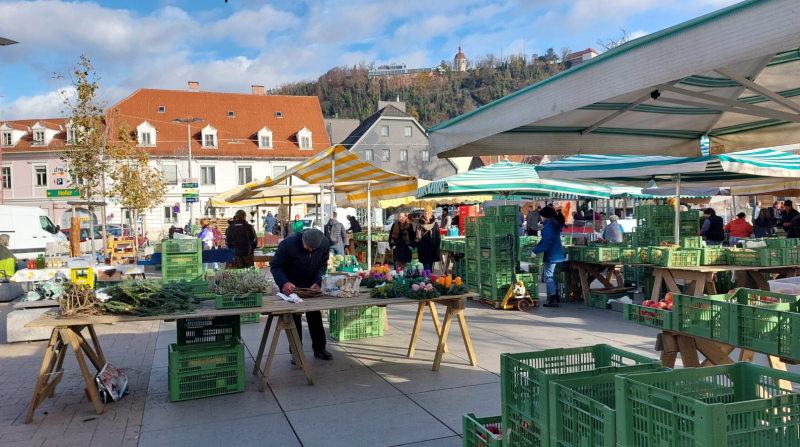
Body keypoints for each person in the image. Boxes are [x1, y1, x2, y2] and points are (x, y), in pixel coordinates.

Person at [270, 229, 333, 362]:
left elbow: (322, 265)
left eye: (313, 248)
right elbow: (276, 266)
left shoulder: (324, 243)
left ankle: (319, 348)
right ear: (302, 239)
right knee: (293, 318)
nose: (310, 250)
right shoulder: (288, 244)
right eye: (308, 246)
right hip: (291, 284)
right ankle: (296, 352)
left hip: (310, 285)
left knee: (315, 315)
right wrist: (284, 283)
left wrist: (317, 282)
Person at [532, 207, 564, 308]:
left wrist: (535, 251)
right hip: (556, 254)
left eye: (541, 215)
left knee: (548, 277)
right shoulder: (553, 224)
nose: (540, 217)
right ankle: (555, 297)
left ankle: (554, 298)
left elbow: (547, 243)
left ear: (545, 216)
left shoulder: (549, 227)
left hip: (552, 255)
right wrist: (544, 227)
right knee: (549, 276)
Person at [415, 206, 440, 272]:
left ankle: (429, 280)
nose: (426, 215)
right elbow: (416, 236)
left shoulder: (435, 224)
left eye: (428, 214)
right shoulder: (420, 224)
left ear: (431, 214)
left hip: (432, 249)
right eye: (425, 213)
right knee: (426, 267)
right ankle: (426, 280)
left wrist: (436, 246)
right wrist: (419, 245)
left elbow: (438, 236)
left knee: (430, 267)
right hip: (423, 249)